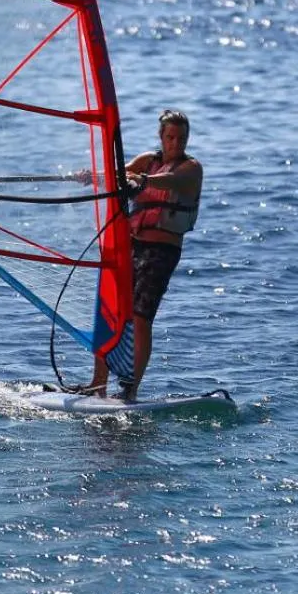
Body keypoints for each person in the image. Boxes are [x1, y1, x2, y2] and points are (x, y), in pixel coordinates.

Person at [85, 108, 203, 401]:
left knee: (140, 317)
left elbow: (169, 182)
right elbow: (117, 175)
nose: (176, 144)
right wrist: (91, 177)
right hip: (131, 246)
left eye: (182, 138)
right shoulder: (148, 161)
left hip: (161, 251)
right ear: (161, 137)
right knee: (112, 311)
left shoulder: (191, 169)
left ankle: (130, 389)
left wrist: (142, 182)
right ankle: (98, 383)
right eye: (171, 137)